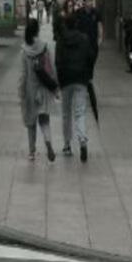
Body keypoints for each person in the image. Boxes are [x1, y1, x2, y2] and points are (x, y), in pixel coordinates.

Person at [54, 12, 95, 162]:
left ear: (65, 24)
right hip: (81, 79)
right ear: (76, 24)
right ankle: (82, 141)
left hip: (66, 80)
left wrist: (58, 81)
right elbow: (90, 57)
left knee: (66, 113)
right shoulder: (84, 39)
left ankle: (67, 145)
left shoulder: (61, 40)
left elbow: (57, 61)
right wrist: (88, 75)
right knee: (80, 112)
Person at [19, 18, 57, 162]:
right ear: (37, 31)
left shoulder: (24, 50)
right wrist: (55, 86)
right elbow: (51, 68)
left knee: (31, 122)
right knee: (44, 120)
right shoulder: (45, 47)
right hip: (44, 89)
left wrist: (21, 91)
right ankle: (48, 144)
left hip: (30, 90)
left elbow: (23, 74)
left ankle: (31, 152)